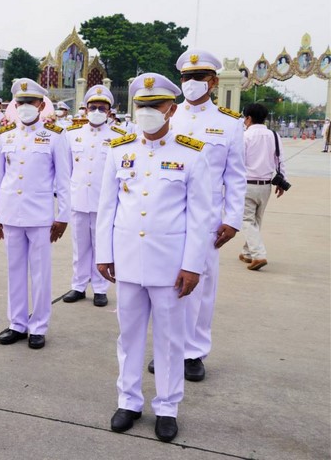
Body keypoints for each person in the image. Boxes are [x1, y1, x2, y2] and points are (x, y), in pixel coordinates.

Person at [96, 72, 212, 443]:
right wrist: (104, 254)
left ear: (171, 109)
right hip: (128, 261)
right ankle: (128, 401)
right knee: (128, 336)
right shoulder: (120, 149)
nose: (147, 112)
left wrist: (193, 264)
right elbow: (106, 208)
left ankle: (167, 406)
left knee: (169, 339)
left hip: (170, 266)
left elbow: (201, 216)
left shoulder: (191, 153)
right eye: (141, 106)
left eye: (155, 106)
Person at [155, 49, 247, 382]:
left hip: (208, 217)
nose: (191, 83)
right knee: (166, 283)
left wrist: (233, 219)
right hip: (168, 213)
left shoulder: (229, 124)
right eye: (185, 78)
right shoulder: (169, 117)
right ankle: (167, 348)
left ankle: (193, 352)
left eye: (198, 78)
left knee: (202, 285)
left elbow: (236, 177)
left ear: (213, 82)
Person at [0, 78, 71, 349]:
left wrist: (63, 216)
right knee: (14, 271)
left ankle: (38, 326)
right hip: (10, 213)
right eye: (20, 102)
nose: (25, 106)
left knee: (40, 273)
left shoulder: (55, 136)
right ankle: (17, 323)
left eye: (30, 102)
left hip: (40, 216)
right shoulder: (6, 136)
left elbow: (63, 180)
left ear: (41, 104)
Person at [62, 85, 124, 307]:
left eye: (101, 107)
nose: (96, 111)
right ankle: (78, 285)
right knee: (80, 247)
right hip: (78, 199)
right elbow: (66, 169)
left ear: (109, 111)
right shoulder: (72, 135)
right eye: (93, 107)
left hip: (103, 202)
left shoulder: (120, 137)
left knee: (101, 246)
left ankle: (100, 288)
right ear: (85, 109)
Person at [240, 103, 287, 271]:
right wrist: (283, 181)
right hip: (266, 185)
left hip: (247, 184)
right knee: (256, 220)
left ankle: (258, 255)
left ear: (249, 118)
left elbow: (238, 163)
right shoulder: (273, 136)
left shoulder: (244, 137)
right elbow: (280, 160)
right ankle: (247, 252)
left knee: (246, 220)